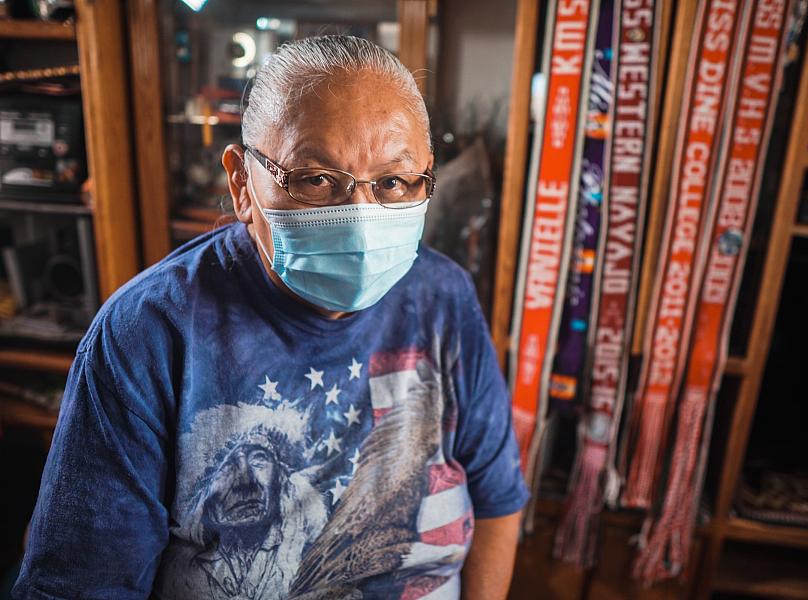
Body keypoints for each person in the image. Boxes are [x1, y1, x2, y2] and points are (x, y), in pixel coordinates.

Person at [13, 35, 528, 600]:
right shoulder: (148, 333)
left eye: (392, 182)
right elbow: (84, 585)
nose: (361, 218)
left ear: (427, 175)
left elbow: (498, 499)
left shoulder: (444, 297)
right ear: (242, 183)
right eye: (315, 180)